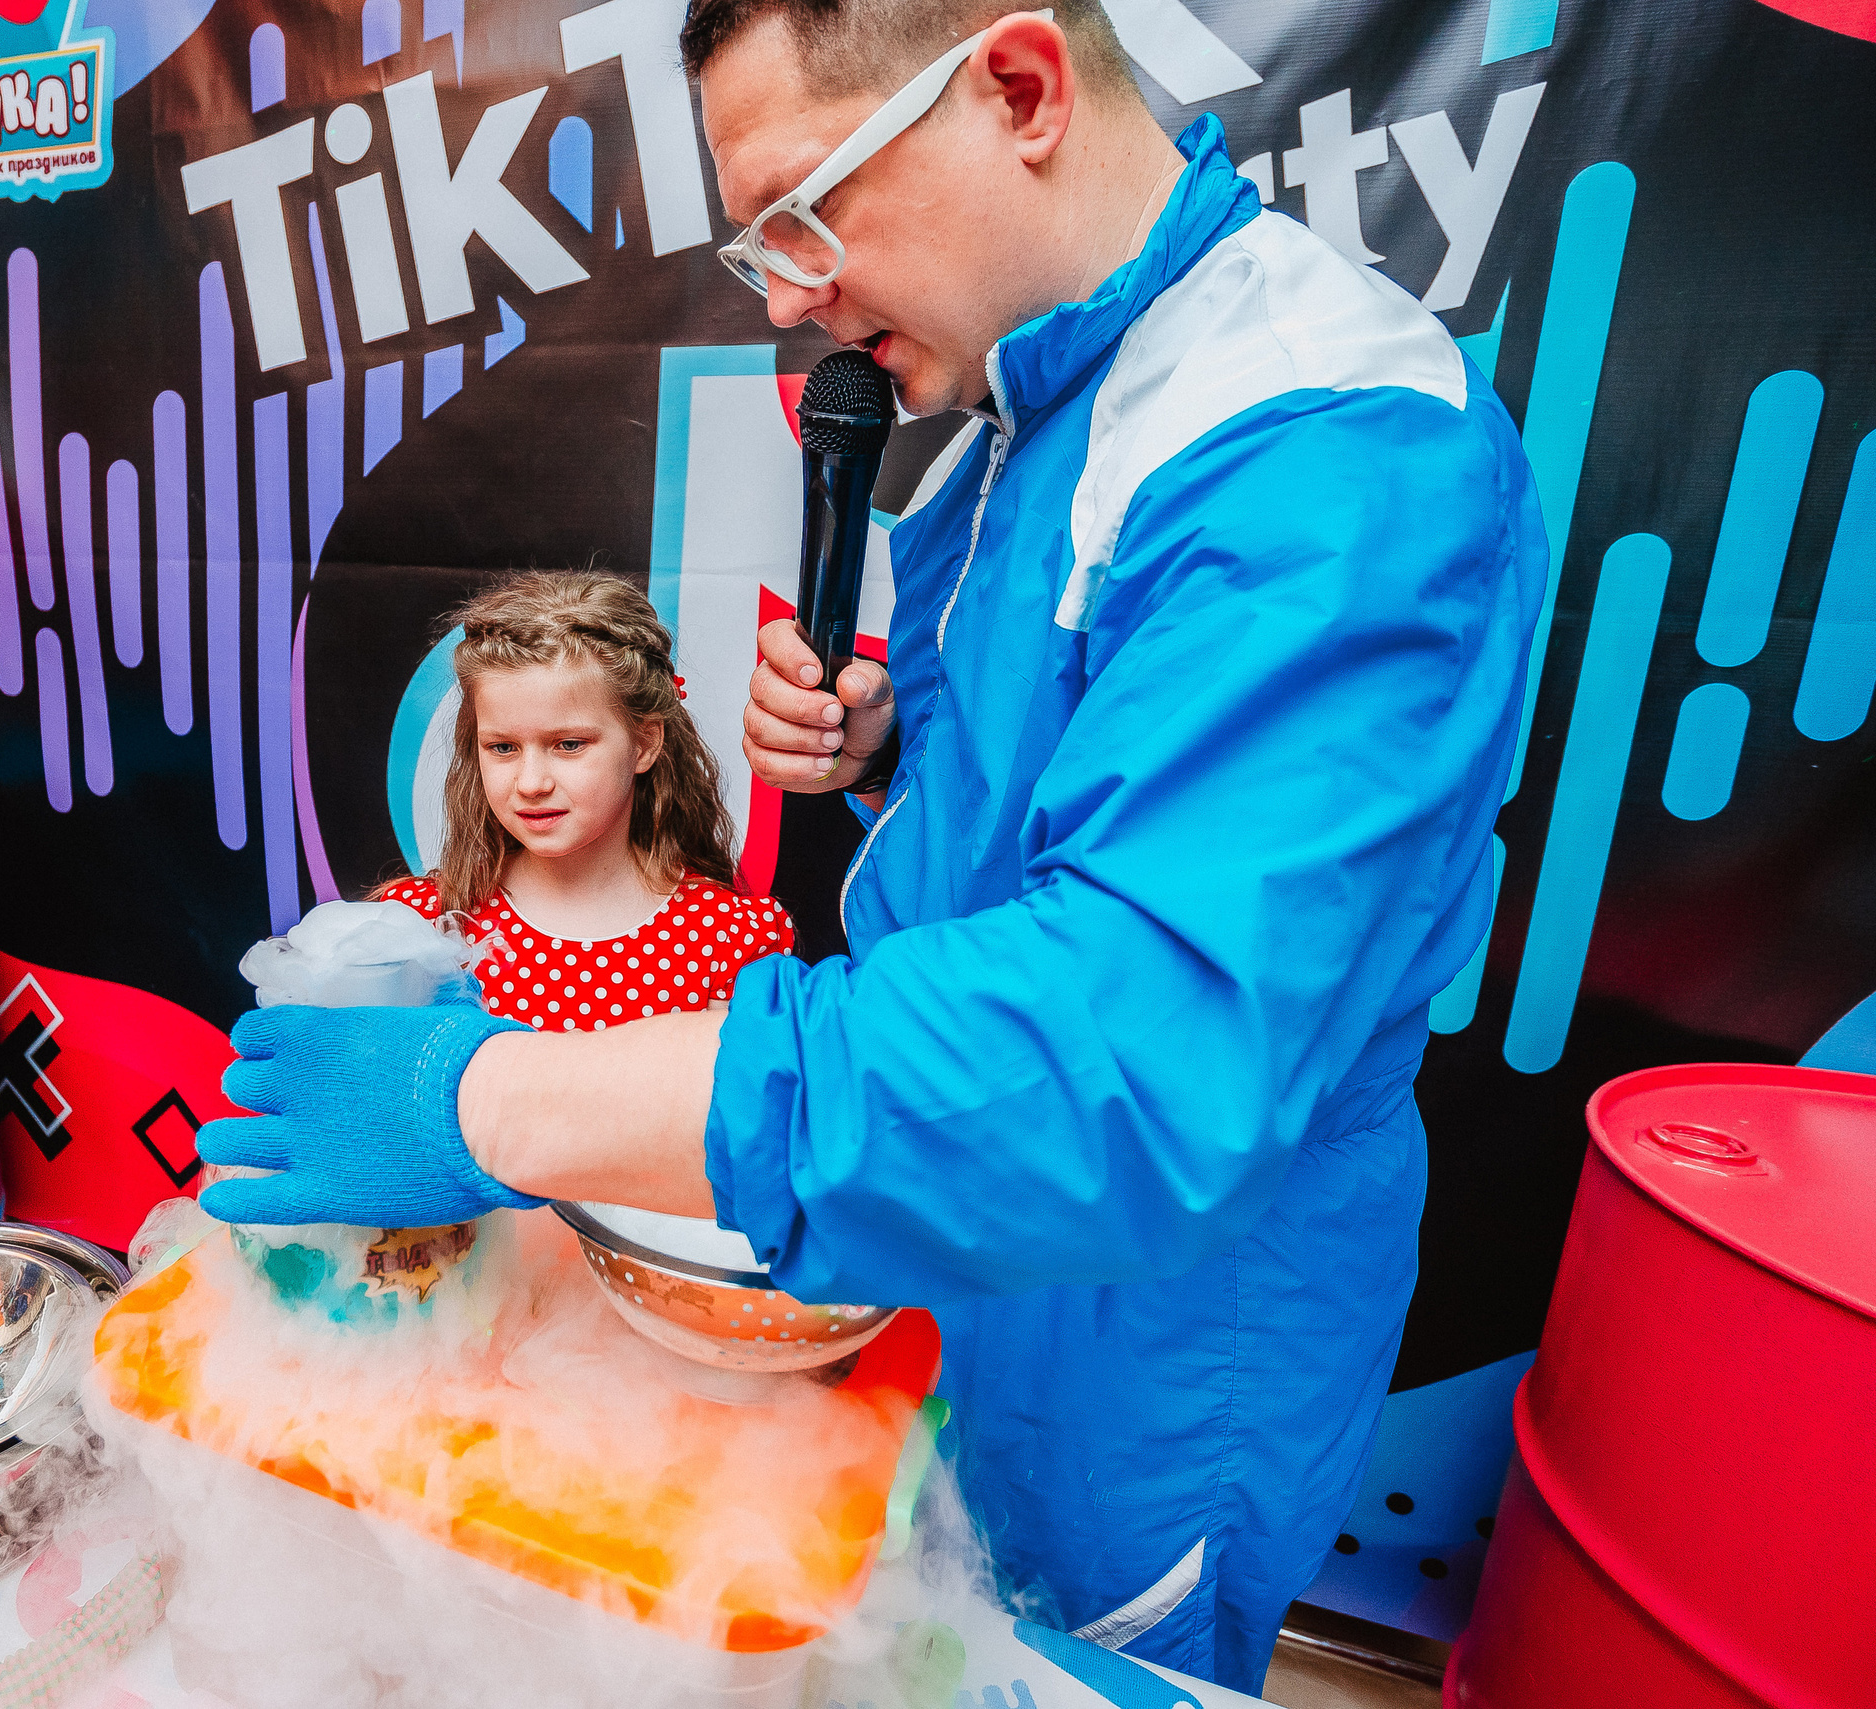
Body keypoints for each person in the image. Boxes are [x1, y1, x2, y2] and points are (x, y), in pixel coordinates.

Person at [199, 0, 1546, 1688]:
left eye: (801, 211)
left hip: (1161, 1308)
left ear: (1017, 87)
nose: (782, 291)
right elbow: (1067, 787)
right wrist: (892, 738)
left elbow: (1129, 1052)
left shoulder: (1325, 455)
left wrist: (486, 1100)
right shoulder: (1017, 411)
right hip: (963, 1226)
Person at [368, 572, 797, 1029]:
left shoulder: (728, 938)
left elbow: (732, 1098)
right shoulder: (416, 926)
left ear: (645, 742)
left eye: (569, 744)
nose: (531, 783)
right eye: (503, 748)